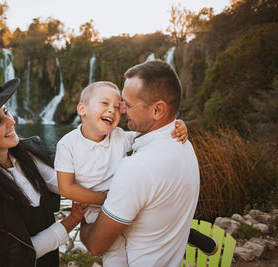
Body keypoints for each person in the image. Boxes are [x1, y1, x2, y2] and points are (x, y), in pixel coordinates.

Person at [0, 78, 88, 267]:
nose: (11, 121)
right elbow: (23, 252)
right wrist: (72, 219)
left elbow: (61, 184)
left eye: (6, 112)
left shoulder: (27, 154)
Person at [80, 59, 201, 266]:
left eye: (127, 103)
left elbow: (95, 245)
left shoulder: (137, 168)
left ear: (157, 110)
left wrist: (81, 218)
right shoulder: (183, 145)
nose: (120, 108)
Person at [55, 81, 189, 266]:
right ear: (82, 109)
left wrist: (176, 125)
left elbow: (153, 135)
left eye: (117, 107)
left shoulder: (120, 136)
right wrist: (104, 199)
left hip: (125, 203)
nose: (112, 110)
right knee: (114, 252)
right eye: (104, 103)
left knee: (140, 237)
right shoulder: (67, 144)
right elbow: (66, 188)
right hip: (94, 207)